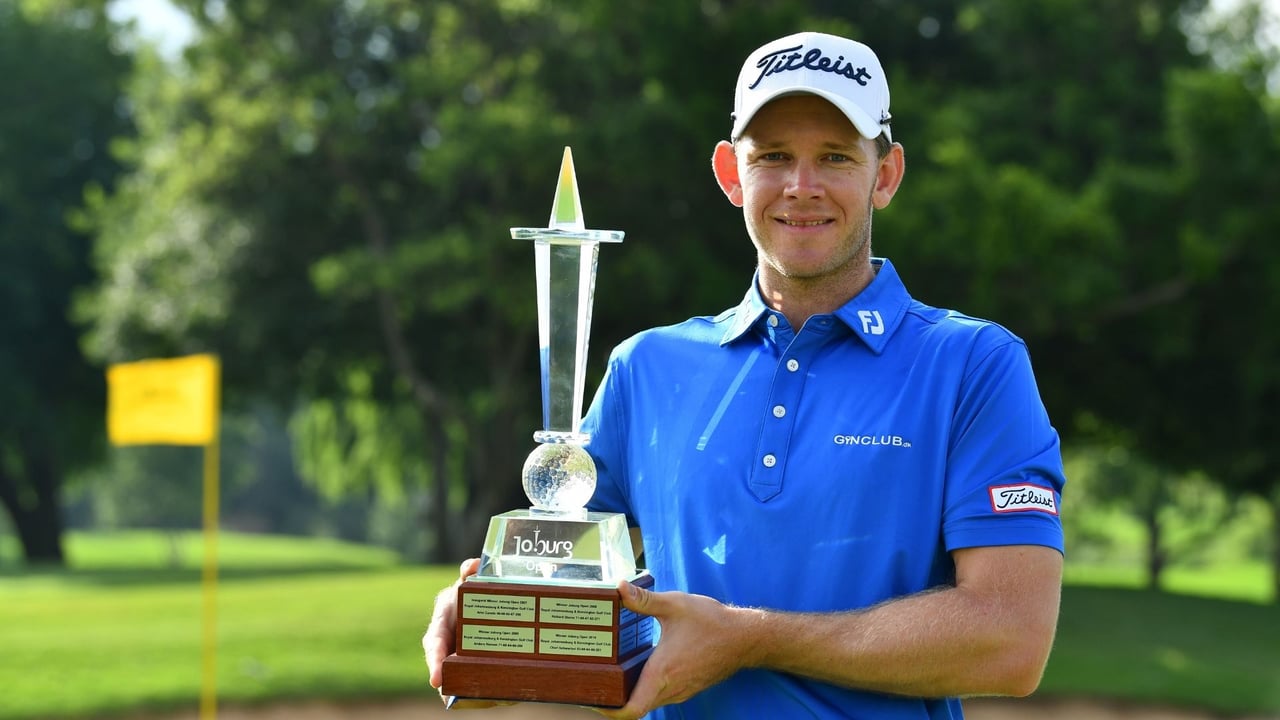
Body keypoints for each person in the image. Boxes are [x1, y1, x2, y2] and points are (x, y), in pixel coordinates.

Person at [424, 30, 1065, 720]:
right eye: (775, 157)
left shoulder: (973, 364)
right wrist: (490, 625)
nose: (802, 187)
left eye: (836, 157)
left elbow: (1010, 641)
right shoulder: (646, 368)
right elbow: (561, 570)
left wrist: (751, 640)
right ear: (732, 174)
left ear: (886, 175)